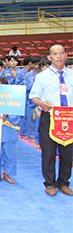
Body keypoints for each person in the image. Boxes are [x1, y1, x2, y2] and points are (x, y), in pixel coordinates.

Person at [30, 44, 73, 196]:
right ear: (49, 57)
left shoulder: (72, 75)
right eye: (55, 54)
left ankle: (64, 182)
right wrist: (41, 103)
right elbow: (34, 97)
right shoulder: (42, 77)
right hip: (50, 117)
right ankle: (50, 183)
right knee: (48, 152)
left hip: (69, 118)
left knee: (67, 152)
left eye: (62, 53)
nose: (59, 56)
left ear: (66, 56)